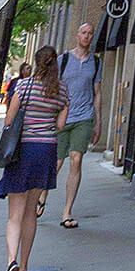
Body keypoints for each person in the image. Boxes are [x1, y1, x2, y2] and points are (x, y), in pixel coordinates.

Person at [0, 44, 67, 271]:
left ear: (35, 62)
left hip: (22, 151)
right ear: (55, 64)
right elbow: (60, 126)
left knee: (15, 215)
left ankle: (11, 260)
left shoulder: (22, 87)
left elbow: (10, 120)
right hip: (45, 152)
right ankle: (23, 268)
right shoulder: (62, 91)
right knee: (31, 213)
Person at [55, 21, 102, 227]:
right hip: (62, 116)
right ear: (77, 35)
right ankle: (42, 197)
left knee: (76, 160)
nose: (87, 36)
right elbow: (53, 88)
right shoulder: (63, 60)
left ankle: (67, 212)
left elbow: (98, 93)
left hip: (84, 117)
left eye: (90, 33)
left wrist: (98, 122)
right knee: (56, 163)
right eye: (83, 32)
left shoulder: (96, 62)